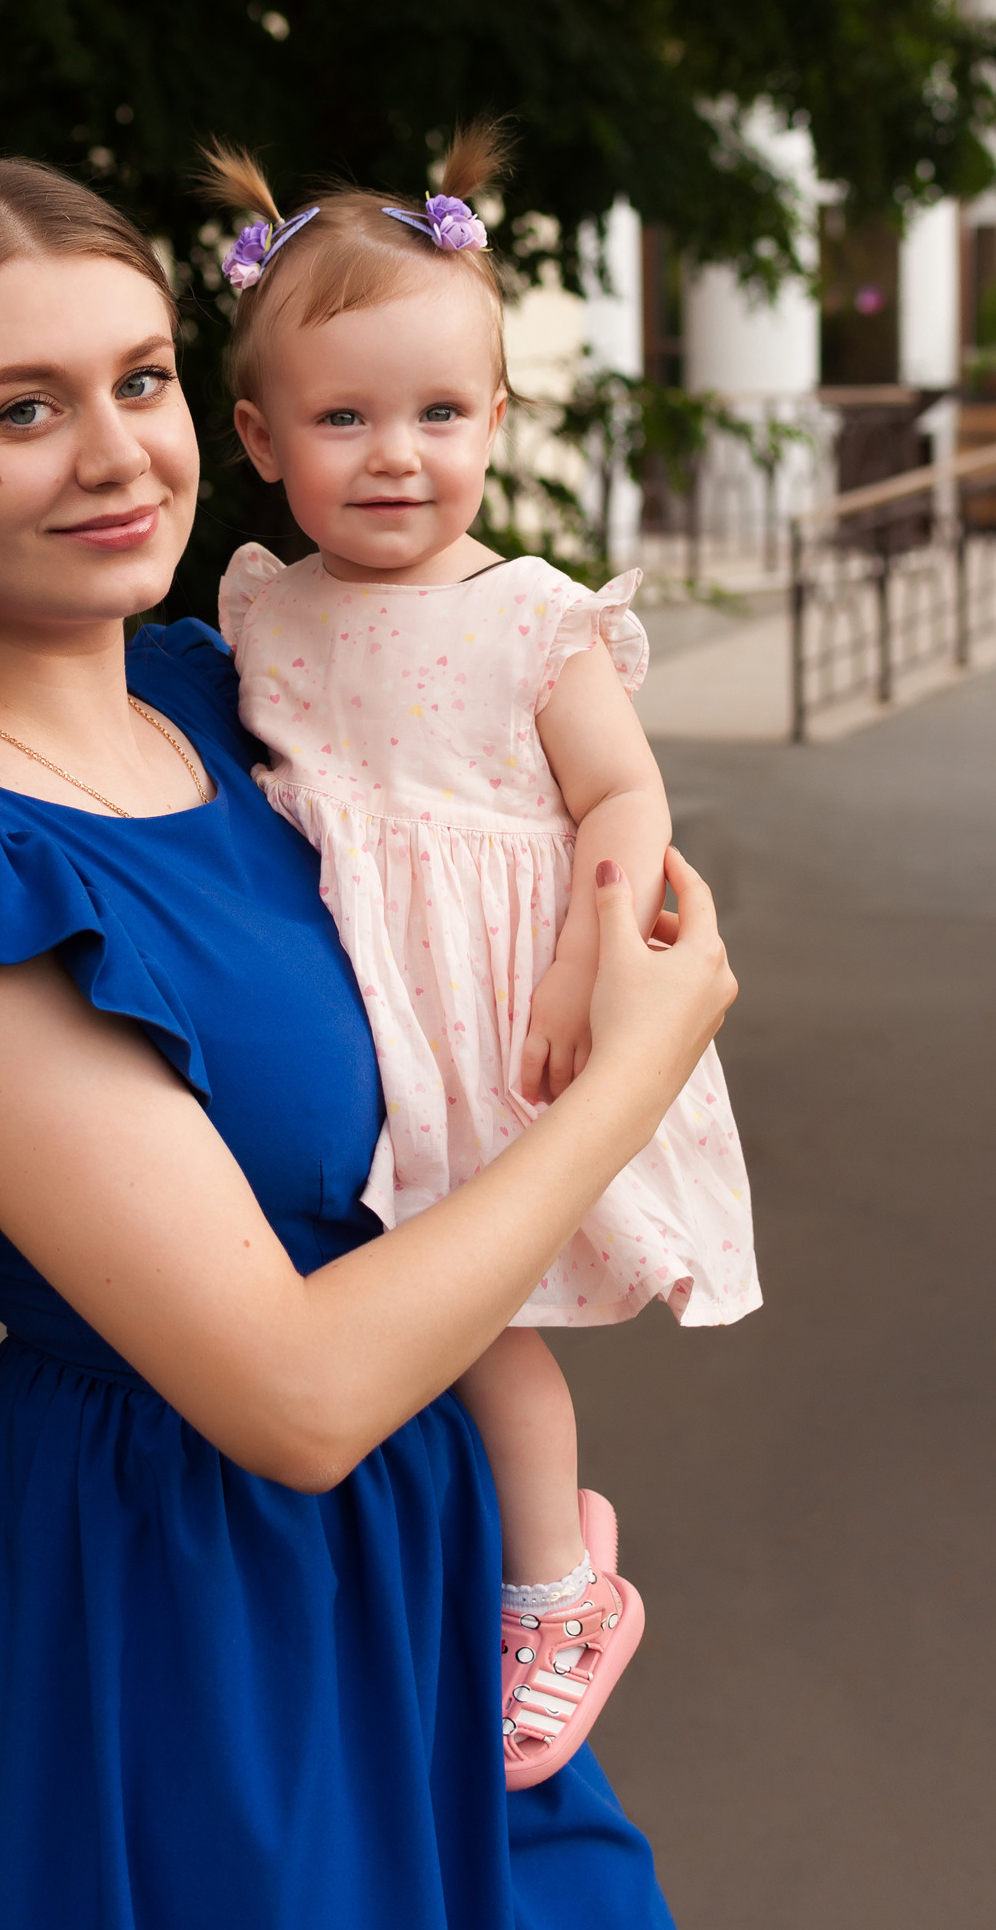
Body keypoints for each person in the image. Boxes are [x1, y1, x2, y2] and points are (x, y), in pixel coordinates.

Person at [0, 155, 737, 1930]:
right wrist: (632, 1077)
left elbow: (516, 740)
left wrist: (610, 873)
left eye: (139, 380)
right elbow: (292, 1394)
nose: (118, 454)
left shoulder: (232, 693)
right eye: (20, 409)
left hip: (429, 1559)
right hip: (197, 1613)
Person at [207, 124, 760, 1788]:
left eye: (442, 414)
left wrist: (584, 971)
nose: (397, 456)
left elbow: (621, 792)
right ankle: (499, 1565)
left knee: (479, 1318)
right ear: (258, 437)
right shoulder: (258, 611)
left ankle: (559, 1591)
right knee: (407, 1321)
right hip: (362, 1009)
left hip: (499, 1009)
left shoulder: (533, 613)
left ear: (498, 423)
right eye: (345, 417)